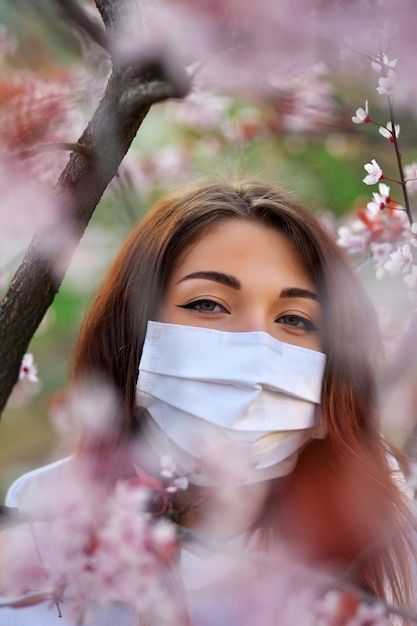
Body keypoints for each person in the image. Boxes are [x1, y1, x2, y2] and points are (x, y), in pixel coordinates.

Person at [1, 180, 416, 625]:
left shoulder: (392, 528)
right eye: (207, 304)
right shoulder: (46, 512)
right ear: (133, 333)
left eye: (294, 319)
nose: (256, 345)